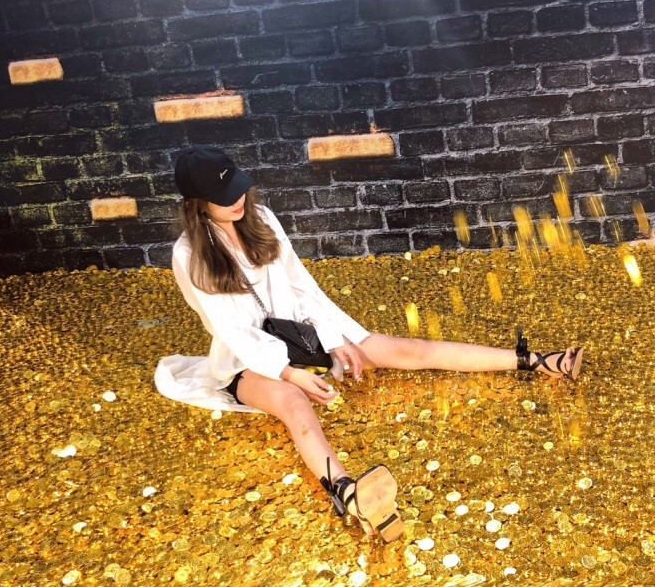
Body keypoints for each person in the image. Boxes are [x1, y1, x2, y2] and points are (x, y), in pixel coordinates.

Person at [159, 144, 584, 543]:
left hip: (300, 335)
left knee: (404, 349)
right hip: (247, 362)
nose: (238, 199)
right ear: (198, 204)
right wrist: (291, 374)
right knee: (293, 403)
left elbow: (302, 287)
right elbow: (233, 331)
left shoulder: (261, 218)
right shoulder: (189, 254)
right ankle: (349, 494)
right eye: (224, 196)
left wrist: (332, 340)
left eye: (238, 187)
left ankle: (537, 360)